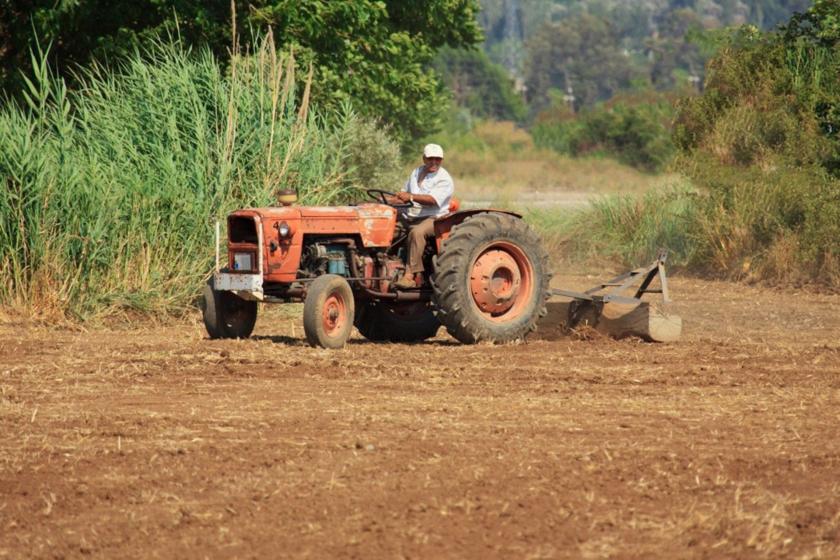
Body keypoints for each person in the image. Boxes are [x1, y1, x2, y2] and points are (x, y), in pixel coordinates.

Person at [388, 143, 454, 289]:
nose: (434, 162)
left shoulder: (444, 179)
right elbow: (403, 194)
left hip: (434, 218)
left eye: (438, 159)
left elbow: (432, 200)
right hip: (411, 215)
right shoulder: (416, 172)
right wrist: (387, 201)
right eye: (431, 159)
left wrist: (410, 197)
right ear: (424, 158)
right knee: (387, 228)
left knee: (417, 233)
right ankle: (385, 265)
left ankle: (410, 275)